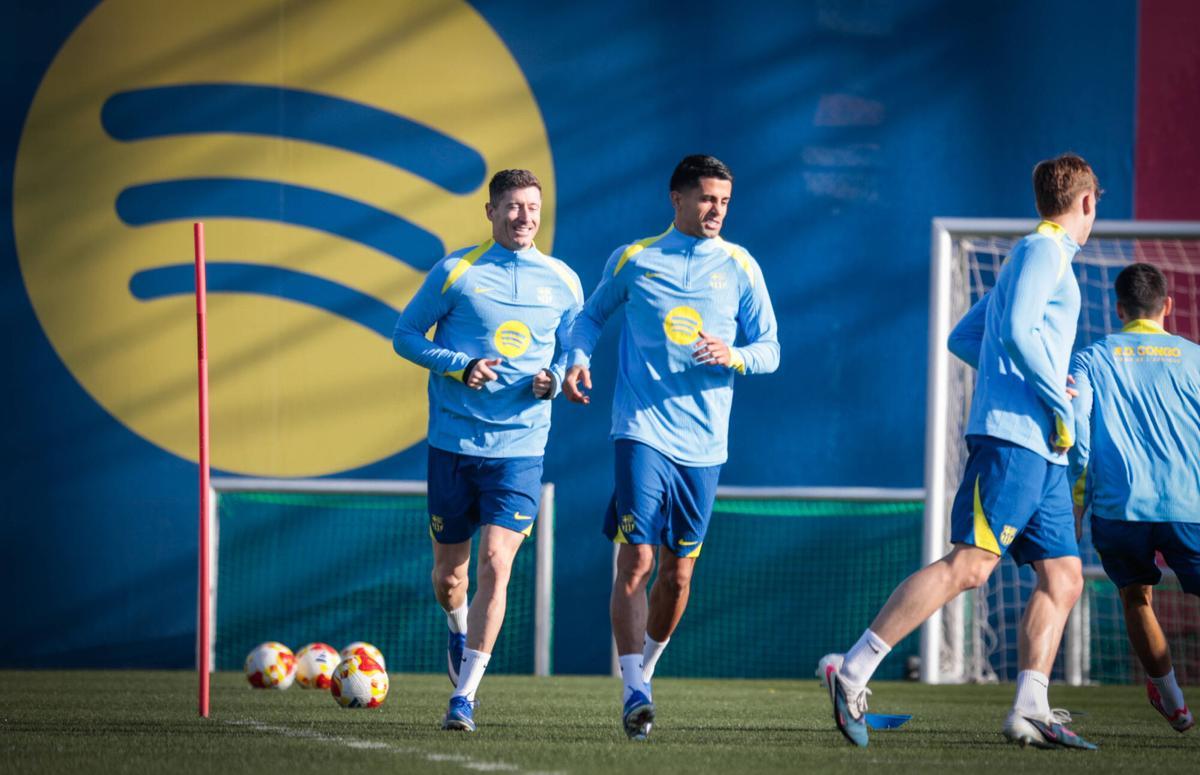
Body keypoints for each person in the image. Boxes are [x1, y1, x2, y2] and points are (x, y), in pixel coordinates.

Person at [824, 153, 1101, 750]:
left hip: (1042, 451)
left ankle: (1030, 708)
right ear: (1087, 201)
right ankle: (852, 672)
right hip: (1016, 441)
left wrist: (1035, 381)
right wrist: (1053, 397)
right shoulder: (1042, 250)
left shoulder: (1038, 257)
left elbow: (967, 337)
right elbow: (1018, 331)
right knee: (970, 567)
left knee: (1065, 576)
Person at [564, 154, 780, 740]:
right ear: (677, 198)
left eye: (726, 202)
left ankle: (646, 672)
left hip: (705, 444)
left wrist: (733, 354)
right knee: (635, 557)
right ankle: (633, 688)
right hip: (641, 429)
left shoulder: (739, 266)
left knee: (677, 576)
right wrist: (578, 359)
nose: (717, 211)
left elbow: (770, 349)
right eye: (708, 198)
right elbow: (588, 318)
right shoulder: (635, 258)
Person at [392, 169, 581, 732]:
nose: (525, 217)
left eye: (533, 207)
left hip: (521, 450)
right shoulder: (457, 271)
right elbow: (405, 336)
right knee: (452, 577)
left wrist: (556, 376)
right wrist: (460, 366)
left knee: (498, 564)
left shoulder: (562, 280)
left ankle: (464, 697)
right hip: (452, 446)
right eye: (513, 207)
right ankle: (456, 629)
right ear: (491, 211)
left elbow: (575, 349)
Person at [1068, 262, 1200, 733]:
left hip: (1120, 508)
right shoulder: (1194, 357)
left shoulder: (1090, 359)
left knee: (1136, 596)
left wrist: (1076, 500)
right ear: (1167, 305)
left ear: (1119, 309)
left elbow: (1078, 436)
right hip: (1190, 506)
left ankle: (1173, 702)